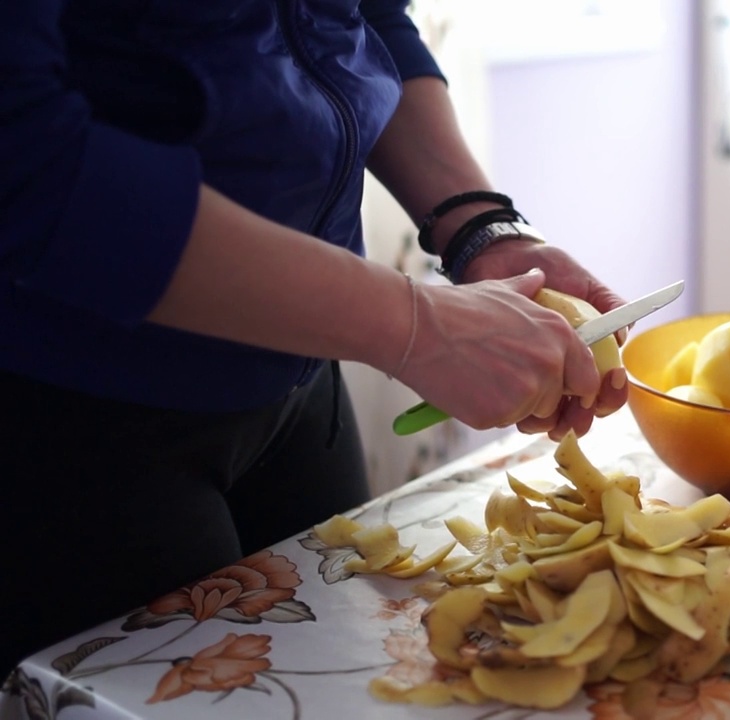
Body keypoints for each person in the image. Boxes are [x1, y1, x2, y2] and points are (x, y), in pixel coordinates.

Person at [0, 0, 629, 675]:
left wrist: (480, 227)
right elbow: (27, 154)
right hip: (75, 419)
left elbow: (367, 17)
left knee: (355, 679)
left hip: (303, 397)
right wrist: (415, 326)